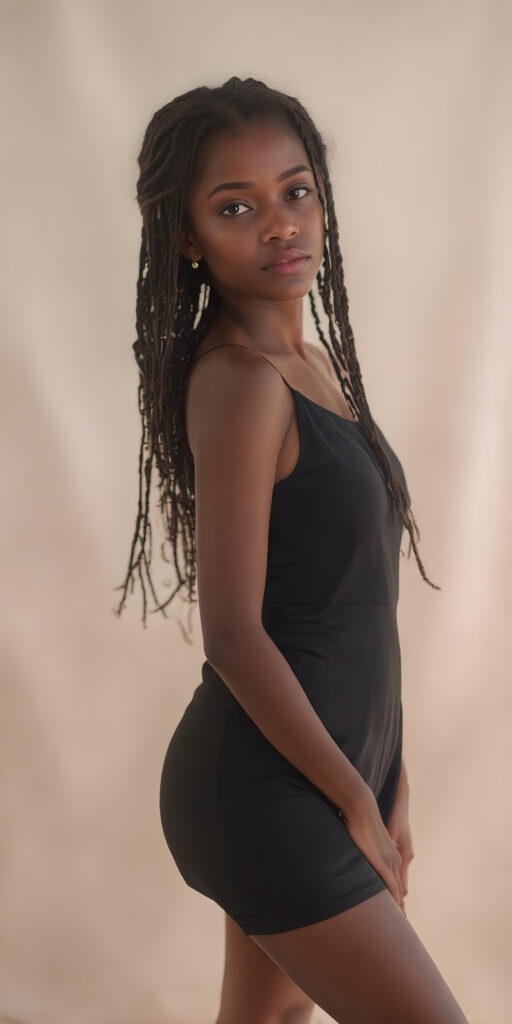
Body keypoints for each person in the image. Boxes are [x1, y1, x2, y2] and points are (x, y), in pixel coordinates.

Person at [114, 77, 469, 1024]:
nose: (279, 224)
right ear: (188, 238)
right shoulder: (239, 381)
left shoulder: (307, 369)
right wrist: (353, 800)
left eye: (295, 190)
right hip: (266, 788)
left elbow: (356, 612)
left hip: (323, 775)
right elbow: (233, 633)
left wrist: (390, 780)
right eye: (236, 207)